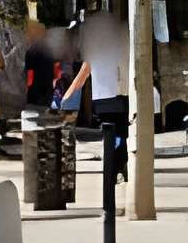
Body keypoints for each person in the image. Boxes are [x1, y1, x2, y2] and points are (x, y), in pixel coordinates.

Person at [56, 10, 131, 179]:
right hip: (122, 95)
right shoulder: (124, 39)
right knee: (120, 133)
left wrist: (66, 97)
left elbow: (83, 74)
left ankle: (114, 169)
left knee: (111, 134)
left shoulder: (96, 47)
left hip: (103, 100)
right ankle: (119, 166)